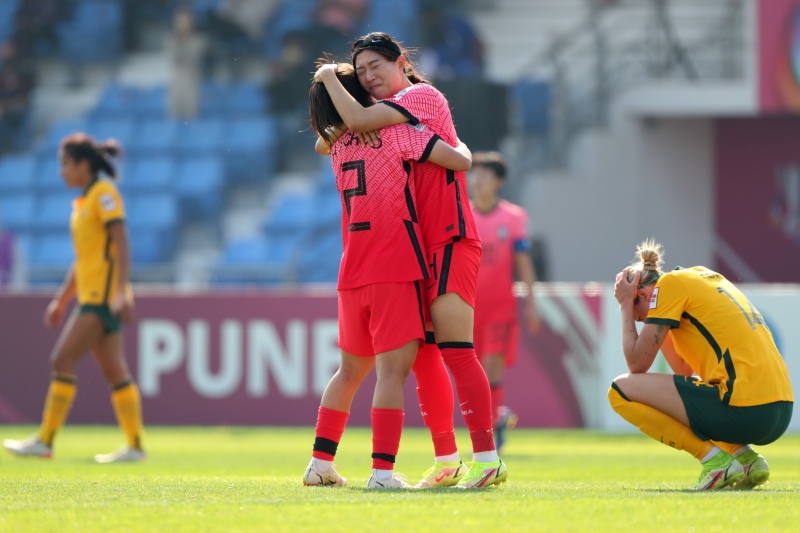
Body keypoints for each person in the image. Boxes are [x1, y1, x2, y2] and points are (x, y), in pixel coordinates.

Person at [313, 32, 506, 489]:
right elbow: (332, 139)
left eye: (375, 66)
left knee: (457, 351)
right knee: (426, 357)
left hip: (450, 238)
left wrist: (328, 78)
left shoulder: (419, 95)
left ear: (401, 62)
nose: (368, 76)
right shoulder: (391, 124)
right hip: (417, 248)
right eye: (359, 72)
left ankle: (488, 457)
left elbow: (347, 127)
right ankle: (447, 459)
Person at [3, 134, 145, 463]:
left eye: (66, 164)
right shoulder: (84, 203)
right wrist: (62, 300)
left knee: (61, 360)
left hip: (102, 298)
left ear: (84, 165)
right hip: (94, 294)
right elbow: (84, 260)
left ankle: (45, 440)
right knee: (115, 373)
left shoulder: (104, 195)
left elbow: (121, 243)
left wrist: (122, 291)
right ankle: (135, 446)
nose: (61, 171)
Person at [609, 240, 793, 490]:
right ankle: (747, 459)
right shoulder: (697, 275)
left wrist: (625, 307)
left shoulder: (669, 286)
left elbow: (636, 363)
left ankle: (714, 462)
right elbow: (683, 370)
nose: (644, 323)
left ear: (642, 295)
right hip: (780, 412)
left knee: (619, 391)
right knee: (700, 394)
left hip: (746, 410)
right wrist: (659, 315)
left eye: (642, 317)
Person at [469, 151, 539, 451]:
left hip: (500, 308)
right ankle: (489, 422)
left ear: (498, 181)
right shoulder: (461, 213)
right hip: (467, 309)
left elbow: (524, 264)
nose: (477, 179)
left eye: (485, 174)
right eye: (475, 173)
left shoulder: (513, 218)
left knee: (491, 368)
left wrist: (532, 304)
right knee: (472, 373)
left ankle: (492, 430)